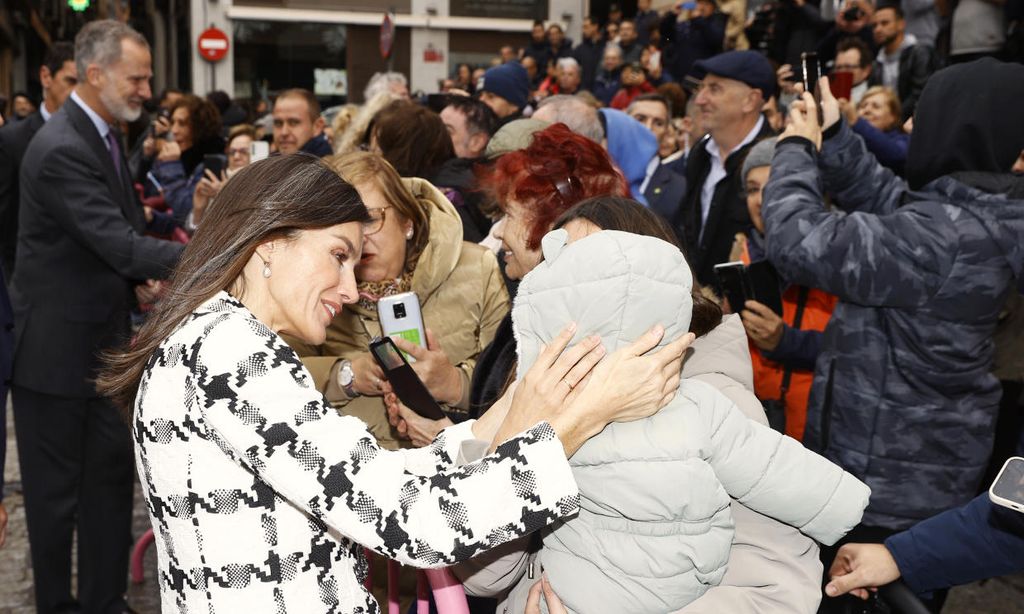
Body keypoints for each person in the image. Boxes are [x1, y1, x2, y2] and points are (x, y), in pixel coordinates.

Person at [96, 150, 690, 611]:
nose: (353, 290)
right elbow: (411, 518)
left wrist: (502, 419)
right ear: (270, 243)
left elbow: (366, 478)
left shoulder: (215, 339)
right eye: (338, 255)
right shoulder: (230, 351)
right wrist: (578, 422)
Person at [492, 224, 868, 614]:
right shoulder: (695, 405)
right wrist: (843, 503)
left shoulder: (552, 422)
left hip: (578, 592)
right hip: (679, 581)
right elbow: (773, 466)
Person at [761, 59, 1024, 611]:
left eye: (922, 118)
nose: (907, 129)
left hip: (888, 497)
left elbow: (795, 238)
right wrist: (834, 134)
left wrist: (794, 147)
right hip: (918, 478)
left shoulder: (942, 239)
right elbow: (888, 201)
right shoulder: (980, 217)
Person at [11, 20, 184, 613]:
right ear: (94, 74)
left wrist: (136, 282)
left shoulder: (102, 135)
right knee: (55, 504)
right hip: (55, 359)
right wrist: (216, 254)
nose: (145, 89)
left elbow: (121, 237)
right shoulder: (62, 146)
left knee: (108, 488)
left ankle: (105, 601)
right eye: (137, 78)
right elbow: (117, 242)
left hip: (103, 347)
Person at [284, 152, 507, 452]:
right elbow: (276, 375)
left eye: (370, 219)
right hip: (354, 472)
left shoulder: (475, 269)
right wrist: (345, 375)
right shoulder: (315, 285)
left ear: (407, 221)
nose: (358, 238)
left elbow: (514, 377)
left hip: (461, 466)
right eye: (341, 223)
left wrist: (455, 383)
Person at [730, 138, 837, 440]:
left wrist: (786, 342)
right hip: (753, 428)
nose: (761, 199)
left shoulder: (841, 258)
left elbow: (860, 354)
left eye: (775, 183)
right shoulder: (741, 256)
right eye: (752, 188)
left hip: (819, 438)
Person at [672, 50, 776, 288]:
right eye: (702, 89)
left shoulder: (777, 160)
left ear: (750, 100)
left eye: (715, 89)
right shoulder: (700, 153)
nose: (699, 100)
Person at [0, 41, 76, 279]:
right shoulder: (12, 139)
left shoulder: (101, 137)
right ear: (46, 77)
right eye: (71, 81)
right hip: (28, 286)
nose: (77, 93)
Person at [148, 93, 225, 230]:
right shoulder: (182, 154)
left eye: (182, 124)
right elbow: (150, 188)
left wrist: (170, 165)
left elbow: (187, 213)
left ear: (200, 128)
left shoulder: (211, 163)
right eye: (173, 123)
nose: (174, 130)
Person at [437, 96, 498, 242]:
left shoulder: (465, 189)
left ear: (476, 142)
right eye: (435, 128)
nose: (436, 136)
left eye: (447, 131)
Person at [871, 2, 938, 121]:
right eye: (874, 25)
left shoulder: (919, 53)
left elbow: (921, 94)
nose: (878, 29)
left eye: (885, 23)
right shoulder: (877, 62)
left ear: (901, 24)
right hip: (884, 121)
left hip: (913, 121)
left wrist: (894, 117)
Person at [627, 93, 687, 221]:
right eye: (640, 119)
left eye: (658, 123)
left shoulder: (679, 188)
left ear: (666, 132)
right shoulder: (600, 173)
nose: (648, 128)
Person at [190, 123, 257, 229]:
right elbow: (193, 239)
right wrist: (198, 210)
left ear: (256, 154)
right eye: (232, 152)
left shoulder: (261, 185)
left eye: (243, 152)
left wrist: (226, 196)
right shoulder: (215, 184)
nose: (236, 156)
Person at [841, 85, 910, 174]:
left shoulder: (904, 140)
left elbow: (894, 154)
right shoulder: (849, 140)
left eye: (876, 106)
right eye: (863, 106)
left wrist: (856, 121)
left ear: (893, 116)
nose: (867, 110)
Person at [660, 0, 728, 84]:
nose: (701, 7)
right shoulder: (686, 24)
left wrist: (698, 19)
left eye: (706, 4)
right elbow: (666, 34)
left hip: (699, 77)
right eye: (699, 3)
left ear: (713, 7)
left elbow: (716, 39)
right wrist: (672, 15)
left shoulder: (717, 21)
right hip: (677, 75)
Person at [272, 88, 332, 156]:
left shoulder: (326, 164)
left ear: (317, 126)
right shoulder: (272, 161)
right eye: (278, 123)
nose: (284, 132)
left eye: (293, 123)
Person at [834, 36, 878, 104]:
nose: (842, 71)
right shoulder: (829, 96)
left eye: (848, 67)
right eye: (838, 67)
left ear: (866, 70)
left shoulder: (874, 99)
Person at [572, 16, 605, 91]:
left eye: (586, 27)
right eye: (583, 27)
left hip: (602, 90)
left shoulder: (606, 46)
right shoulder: (579, 49)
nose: (583, 30)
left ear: (595, 27)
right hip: (584, 91)